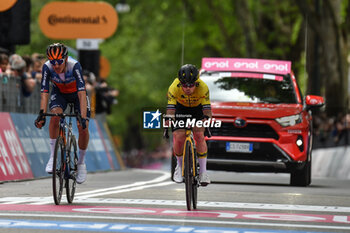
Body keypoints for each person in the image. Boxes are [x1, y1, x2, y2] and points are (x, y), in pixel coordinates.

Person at [34, 43, 90, 184]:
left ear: (65, 59)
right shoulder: (47, 67)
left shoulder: (74, 65)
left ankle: (81, 163)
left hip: (77, 95)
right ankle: (53, 156)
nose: (56, 66)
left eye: (59, 62)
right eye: (53, 62)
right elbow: (44, 92)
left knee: (83, 128)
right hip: (60, 94)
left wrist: (83, 117)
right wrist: (42, 113)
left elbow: (82, 94)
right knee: (54, 117)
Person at [165, 64, 212, 186]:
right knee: (179, 136)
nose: (187, 88)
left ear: (196, 82)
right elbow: (171, 109)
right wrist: (169, 119)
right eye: (184, 85)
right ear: (180, 83)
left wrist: (206, 119)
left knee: (199, 135)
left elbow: (207, 110)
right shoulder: (173, 87)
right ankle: (179, 167)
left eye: (191, 85)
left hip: (197, 110)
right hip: (180, 109)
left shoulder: (203, 87)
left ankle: (203, 172)